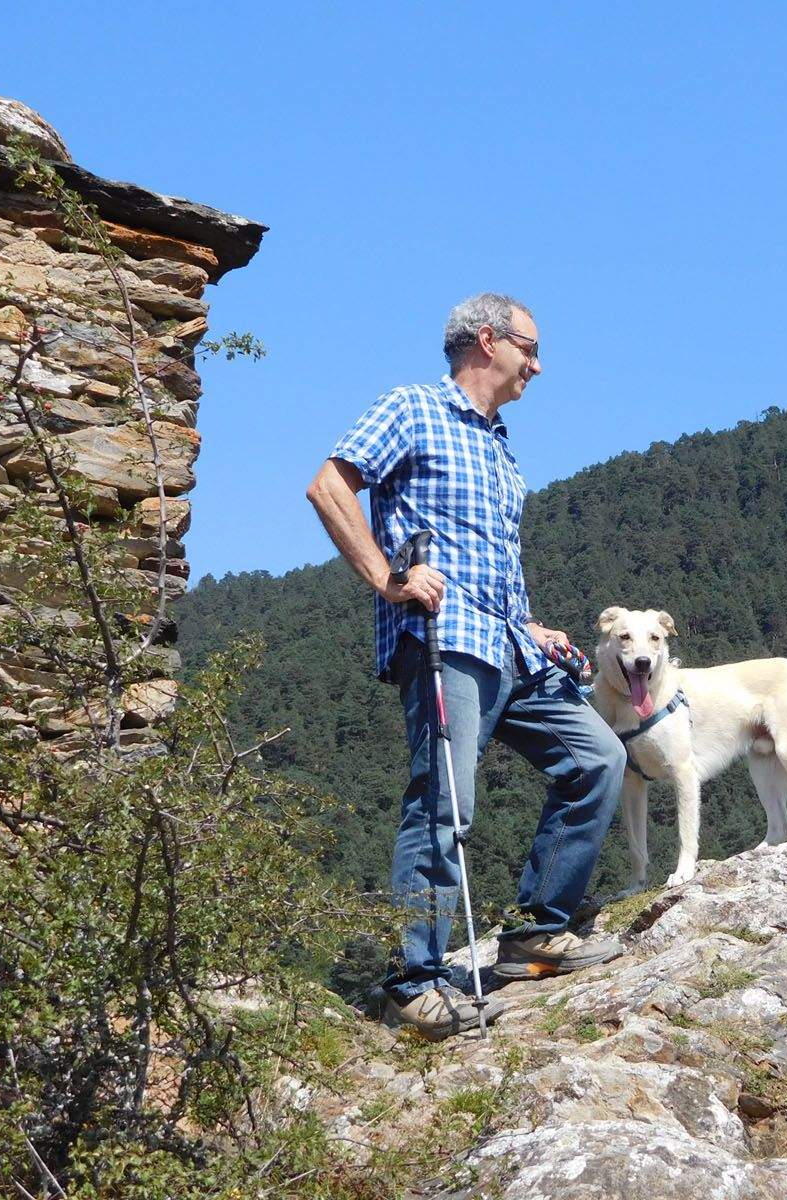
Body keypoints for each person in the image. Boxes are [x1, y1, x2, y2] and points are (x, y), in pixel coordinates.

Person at [306, 293, 627, 1040]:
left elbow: (488, 556)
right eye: (530, 349)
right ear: (488, 340)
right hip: (445, 640)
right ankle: (413, 983)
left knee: (597, 758)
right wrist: (388, 578)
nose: (537, 366)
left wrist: (534, 627)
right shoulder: (414, 408)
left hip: (509, 644)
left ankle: (533, 934)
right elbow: (328, 486)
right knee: (446, 806)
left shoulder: (498, 444)